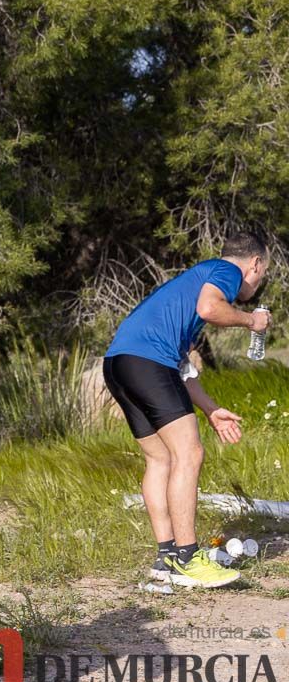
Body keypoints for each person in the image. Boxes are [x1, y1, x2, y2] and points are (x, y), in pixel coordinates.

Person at [102, 231, 271, 588]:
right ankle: (188, 558)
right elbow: (210, 309)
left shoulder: (187, 288)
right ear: (254, 264)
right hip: (148, 362)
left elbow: (180, 368)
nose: (258, 282)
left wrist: (210, 409)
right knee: (189, 454)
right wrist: (251, 321)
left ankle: (165, 557)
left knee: (160, 459)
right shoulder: (226, 272)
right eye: (263, 273)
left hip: (119, 363)